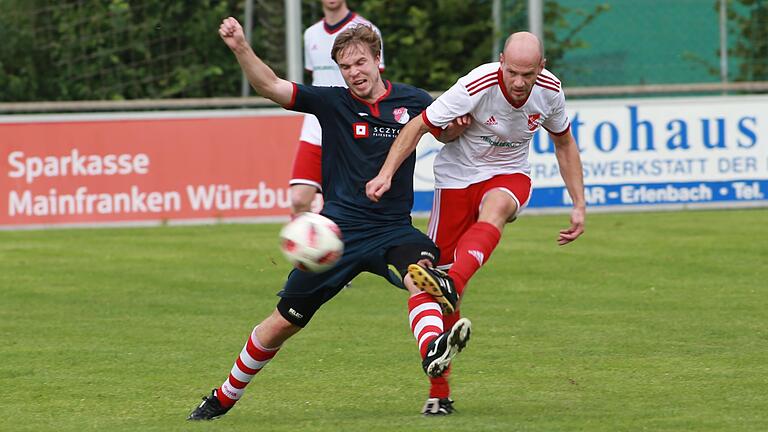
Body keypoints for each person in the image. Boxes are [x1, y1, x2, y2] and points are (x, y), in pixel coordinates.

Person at [188, 18, 471, 421]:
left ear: (378, 60)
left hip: (392, 229)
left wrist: (457, 129)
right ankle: (223, 396)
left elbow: (446, 133)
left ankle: (432, 351)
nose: (354, 72)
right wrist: (240, 47)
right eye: (345, 66)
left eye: (360, 63)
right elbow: (270, 86)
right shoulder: (333, 103)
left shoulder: (415, 101)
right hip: (335, 236)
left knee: (420, 273)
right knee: (282, 324)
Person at [366, 31, 586, 414]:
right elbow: (418, 124)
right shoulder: (476, 84)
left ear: (542, 68)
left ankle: (454, 281)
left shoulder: (550, 91)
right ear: (501, 61)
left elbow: (564, 142)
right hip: (455, 180)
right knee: (433, 291)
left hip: (508, 174)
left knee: (497, 208)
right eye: (513, 72)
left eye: (528, 74)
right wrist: (386, 173)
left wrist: (579, 204)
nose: (519, 83)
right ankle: (439, 392)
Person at [290, 0, 384, 215]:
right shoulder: (310, 34)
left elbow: (375, 83)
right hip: (316, 125)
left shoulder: (367, 30)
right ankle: (305, 247)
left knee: (359, 202)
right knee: (298, 199)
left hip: (353, 125)